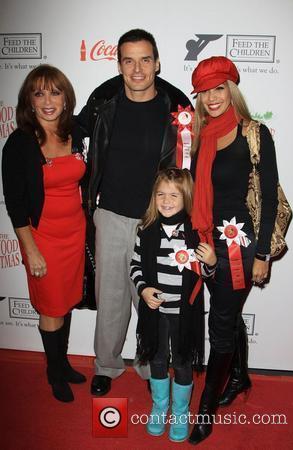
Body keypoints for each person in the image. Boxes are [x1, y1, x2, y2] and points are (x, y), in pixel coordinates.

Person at [76, 29, 192, 396]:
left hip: (156, 221)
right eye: (129, 60)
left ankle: (150, 367)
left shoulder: (177, 111)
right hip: (109, 215)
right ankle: (107, 367)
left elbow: (192, 165)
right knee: (111, 300)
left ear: (157, 63)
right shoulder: (103, 105)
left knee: (153, 299)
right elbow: (67, 133)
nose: (138, 68)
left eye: (145, 59)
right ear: (120, 65)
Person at [187, 56, 279, 444]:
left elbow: (270, 198)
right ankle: (239, 377)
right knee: (228, 316)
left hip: (239, 248)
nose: (212, 97)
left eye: (219, 88)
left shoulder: (254, 133)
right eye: (204, 91)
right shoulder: (199, 136)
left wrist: (262, 255)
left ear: (232, 90)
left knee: (220, 327)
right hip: (206, 244)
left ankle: (205, 409)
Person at [2, 65, 87, 403]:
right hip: (42, 238)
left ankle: (62, 364)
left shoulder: (77, 132)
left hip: (75, 232)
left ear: (66, 98)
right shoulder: (20, 143)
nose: (48, 100)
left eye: (55, 92)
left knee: (64, 302)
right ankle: (54, 373)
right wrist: (31, 250)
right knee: (51, 307)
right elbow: (16, 204)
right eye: (39, 93)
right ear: (29, 101)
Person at [130, 168, 217, 442]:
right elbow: (134, 266)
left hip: (184, 314)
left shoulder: (195, 233)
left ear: (187, 198)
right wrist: (143, 290)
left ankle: (180, 412)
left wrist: (212, 262)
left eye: (174, 196)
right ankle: (159, 406)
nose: (166, 201)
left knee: (181, 362)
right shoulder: (145, 231)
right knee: (156, 358)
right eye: (161, 195)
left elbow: (206, 273)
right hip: (155, 314)